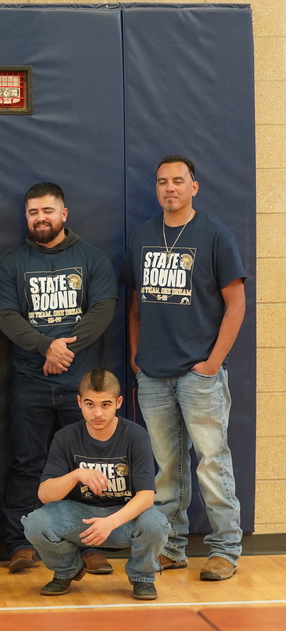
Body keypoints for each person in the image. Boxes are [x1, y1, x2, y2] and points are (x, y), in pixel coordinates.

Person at [121, 154, 246, 581]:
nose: (169, 187)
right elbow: (134, 305)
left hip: (199, 374)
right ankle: (172, 546)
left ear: (194, 187)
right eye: (162, 181)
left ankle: (225, 549)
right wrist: (136, 357)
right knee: (166, 467)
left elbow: (236, 305)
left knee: (212, 462)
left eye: (178, 180)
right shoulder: (142, 236)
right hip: (153, 374)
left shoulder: (215, 235)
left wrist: (212, 364)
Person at [0, 182, 117, 574]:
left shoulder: (91, 258)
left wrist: (63, 352)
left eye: (47, 210)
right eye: (33, 212)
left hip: (81, 387)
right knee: (27, 463)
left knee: (85, 464)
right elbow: (7, 316)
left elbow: (102, 310)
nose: (40, 218)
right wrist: (46, 347)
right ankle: (20, 542)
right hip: (29, 383)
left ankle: (88, 544)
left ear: (64, 214)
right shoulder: (13, 264)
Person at [22, 368, 170, 600]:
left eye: (105, 404)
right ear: (79, 402)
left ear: (118, 403)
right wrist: (76, 475)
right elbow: (45, 495)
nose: (97, 413)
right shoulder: (65, 437)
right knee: (35, 523)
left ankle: (142, 576)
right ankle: (67, 569)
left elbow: (146, 497)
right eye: (90, 404)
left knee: (156, 523)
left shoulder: (135, 435)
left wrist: (110, 522)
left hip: (123, 517)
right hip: (81, 516)